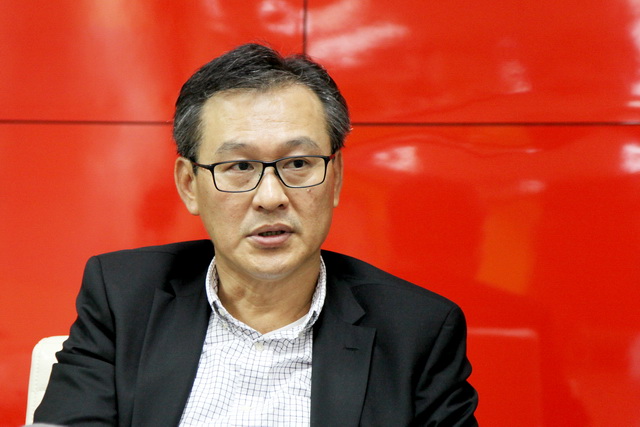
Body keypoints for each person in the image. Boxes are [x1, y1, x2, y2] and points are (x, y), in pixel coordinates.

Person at [34, 43, 478, 426]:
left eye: (298, 164)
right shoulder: (122, 298)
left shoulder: (418, 332)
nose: (270, 197)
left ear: (336, 177)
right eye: (240, 166)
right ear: (189, 185)